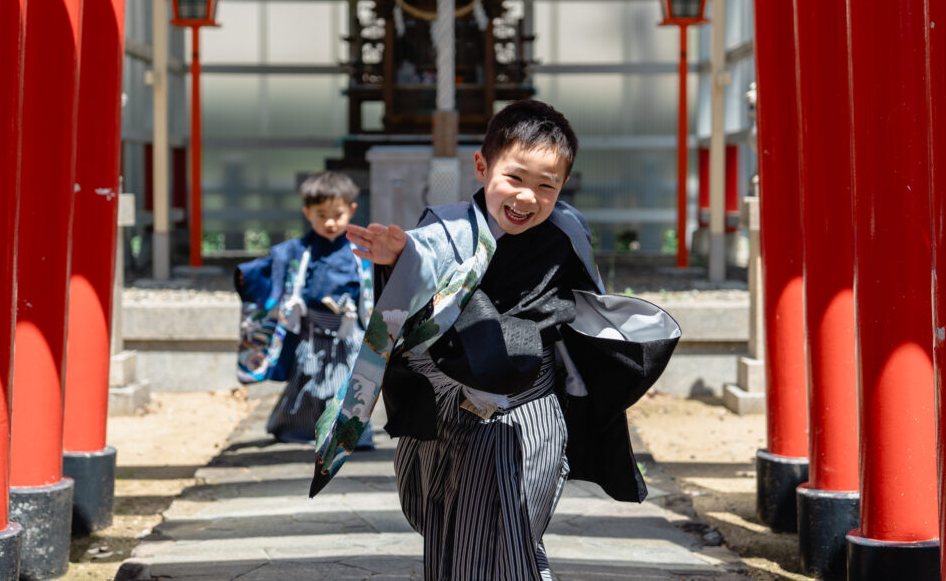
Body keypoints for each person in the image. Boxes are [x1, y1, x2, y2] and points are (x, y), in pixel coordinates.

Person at [310, 100, 680, 579]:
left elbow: (588, 306)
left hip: (530, 409)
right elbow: (421, 259)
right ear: (483, 167)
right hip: (448, 412)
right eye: (516, 178)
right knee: (453, 533)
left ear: (563, 187)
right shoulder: (445, 231)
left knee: (513, 529)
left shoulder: (568, 232)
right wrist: (398, 257)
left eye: (547, 186)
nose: (527, 198)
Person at [234, 170, 374, 447]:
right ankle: (298, 429)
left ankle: (349, 436)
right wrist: (247, 276)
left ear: (352, 210)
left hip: (348, 333)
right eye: (321, 215)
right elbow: (267, 270)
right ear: (307, 212)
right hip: (310, 331)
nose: (330, 222)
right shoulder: (297, 250)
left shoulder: (362, 251)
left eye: (338, 214)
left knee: (346, 390)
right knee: (307, 385)